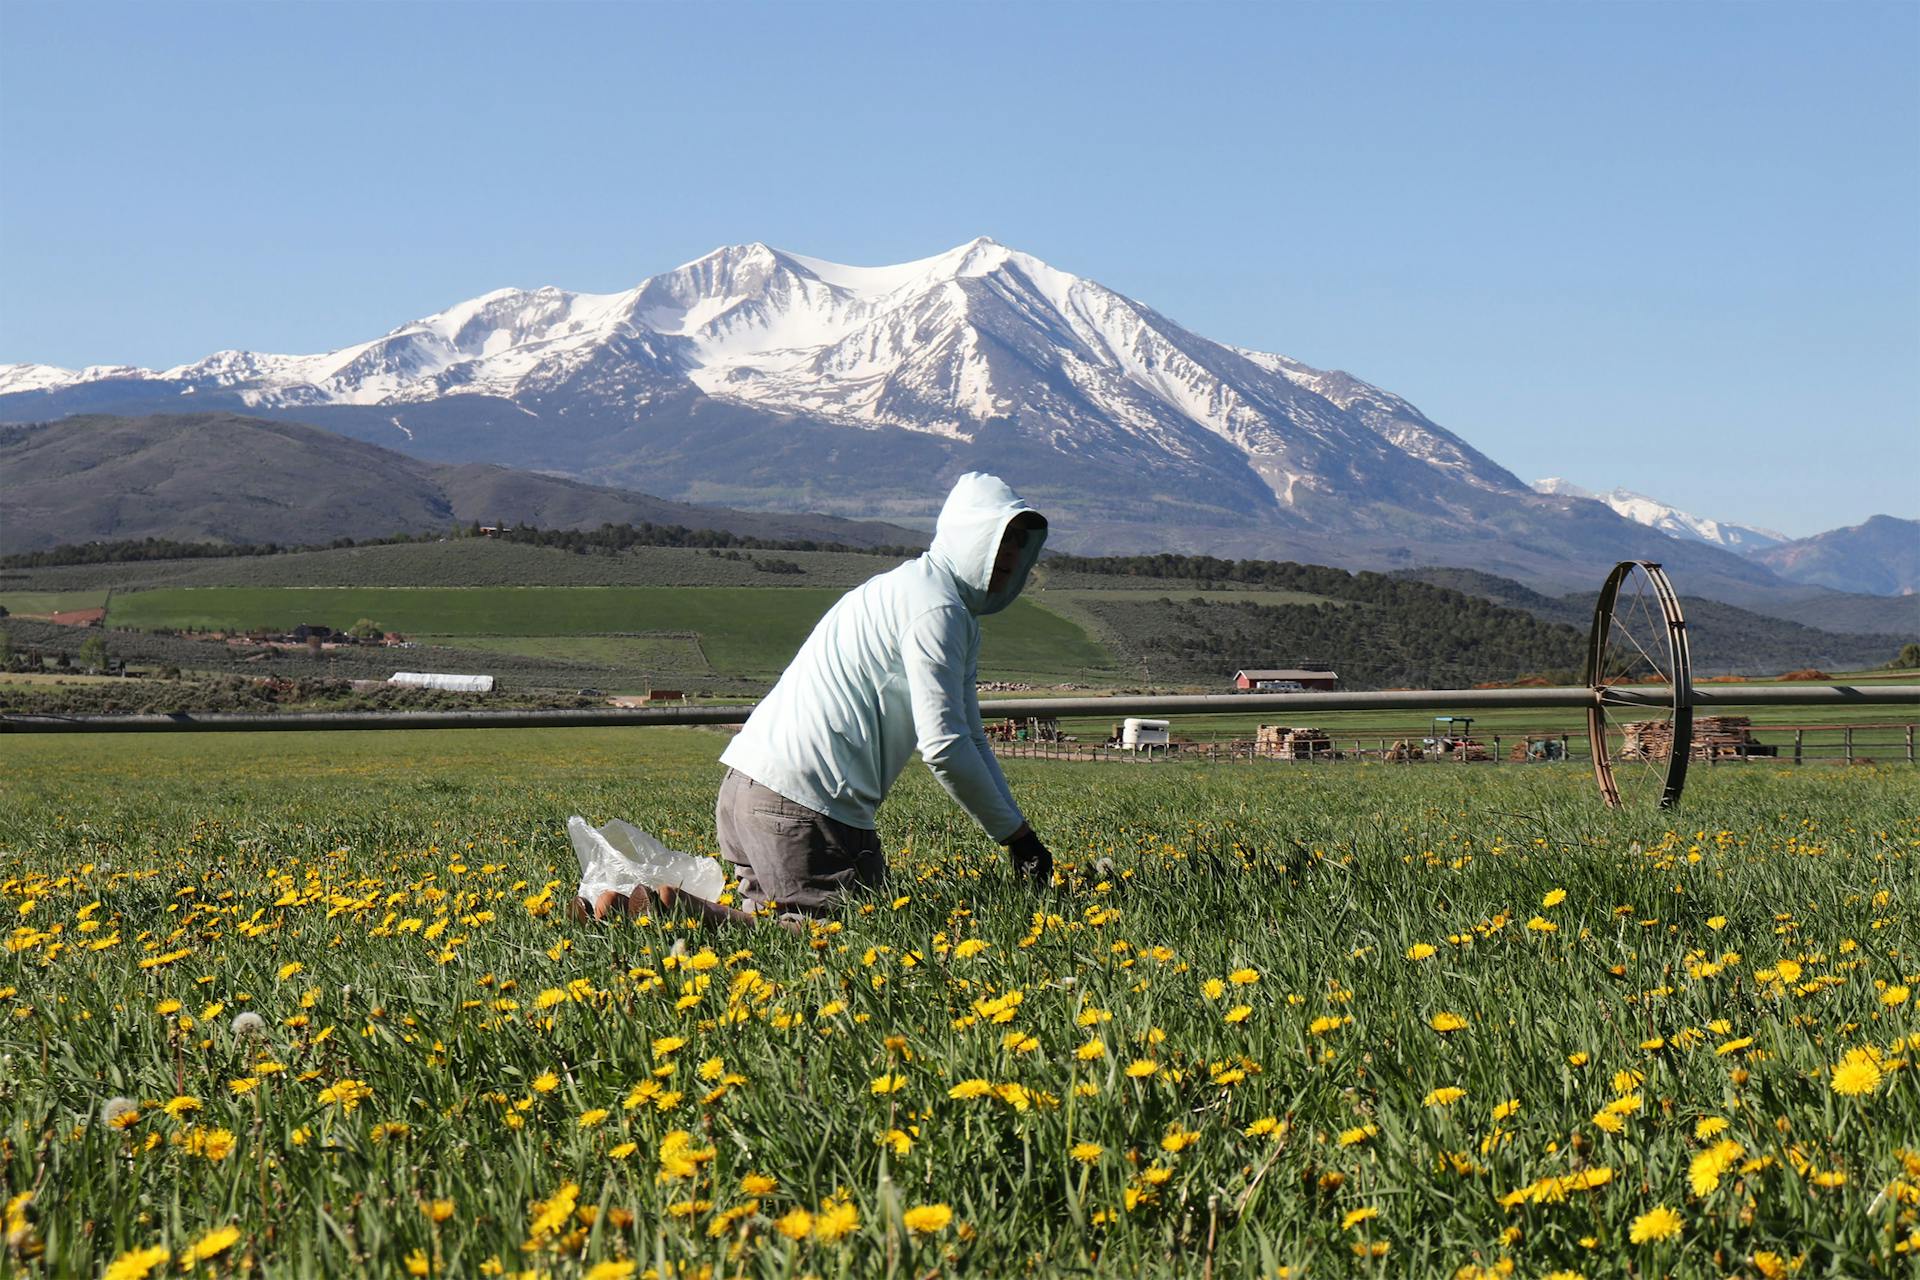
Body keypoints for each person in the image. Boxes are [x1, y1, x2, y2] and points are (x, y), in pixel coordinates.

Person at [579, 472, 1055, 926]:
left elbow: (971, 736)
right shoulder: (937, 610)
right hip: (806, 805)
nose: (1008, 554)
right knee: (840, 939)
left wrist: (1019, 835)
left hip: (749, 787)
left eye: (1018, 541)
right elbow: (947, 746)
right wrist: (1017, 839)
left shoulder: (907, 591)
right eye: (997, 538)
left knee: (768, 938)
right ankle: (676, 909)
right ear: (966, 537)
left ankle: (621, 910)